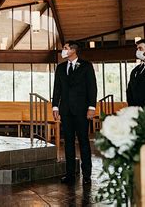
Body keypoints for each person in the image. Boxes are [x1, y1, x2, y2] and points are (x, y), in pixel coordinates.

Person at [52, 41, 97, 185]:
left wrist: (91, 107)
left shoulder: (86, 66)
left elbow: (92, 87)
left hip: (82, 110)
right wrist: (55, 107)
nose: (63, 51)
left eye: (65, 48)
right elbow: (57, 89)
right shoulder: (60, 67)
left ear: (73, 50)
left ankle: (87, 175)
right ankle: (70, 174)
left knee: (83, 142)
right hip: (65, 110)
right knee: (68, 143)